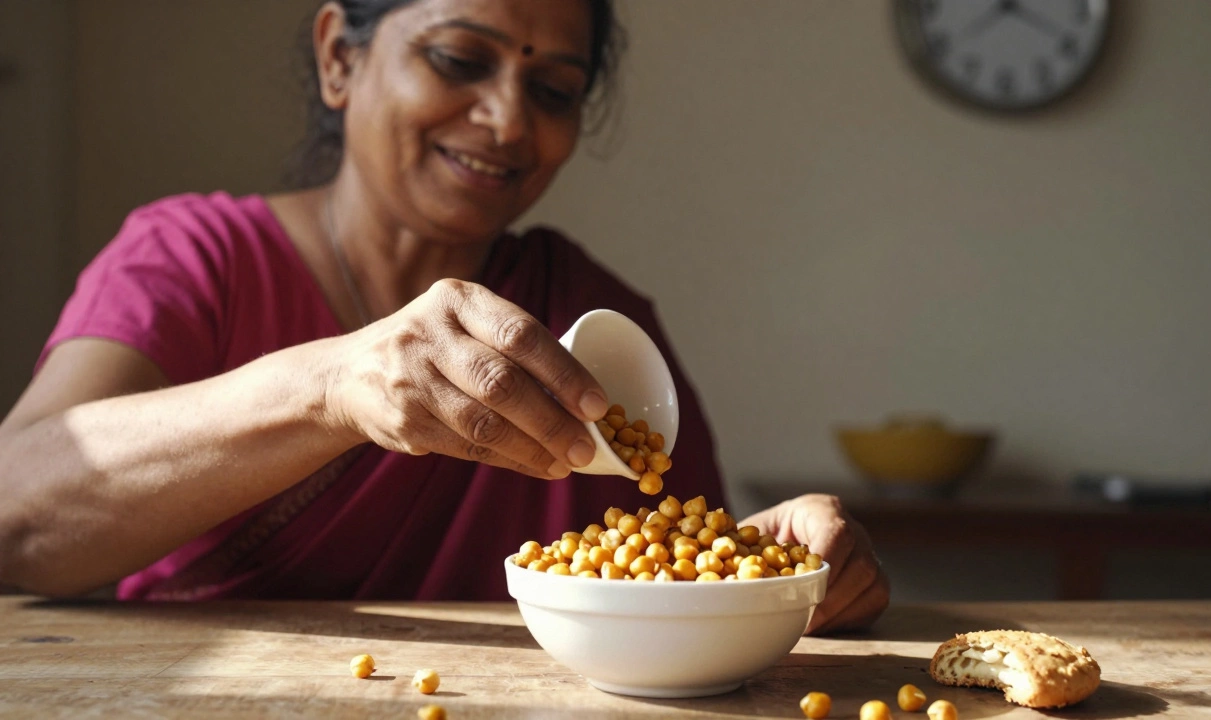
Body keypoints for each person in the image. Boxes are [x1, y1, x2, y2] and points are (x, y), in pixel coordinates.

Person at [0, 0, 888, 633]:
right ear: (339, 59)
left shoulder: (589, 317)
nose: (507, 121)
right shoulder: (196, 258)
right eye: (461, 61)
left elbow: (682, 564)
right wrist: (332, 387)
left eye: (554, 91)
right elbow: (16, 520)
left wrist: (787, 563)